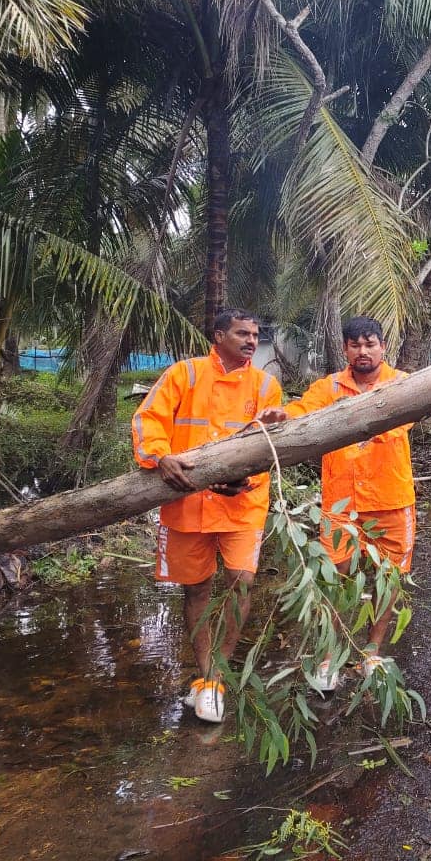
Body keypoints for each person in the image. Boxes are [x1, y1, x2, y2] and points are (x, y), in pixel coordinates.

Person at [132, 309, 283, 724]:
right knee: (197, 591)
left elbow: (271, 444)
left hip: (242, 505)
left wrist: (246, 478)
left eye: (255, 334)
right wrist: (160, 456)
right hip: (188, 505)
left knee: (241, 584)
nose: (251, 340)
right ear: (218, 336)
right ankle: (206, 677)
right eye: (242, 333)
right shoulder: (185, 374)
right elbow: (148, 420)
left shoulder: (267, 385)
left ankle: (217, 676)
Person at [256, 316, 412, 689]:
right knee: (333, 579)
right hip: (341, 504)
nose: (363, 351)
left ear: (383, 346)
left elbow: (399, 422)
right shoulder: (329, 387)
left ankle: (371, 653)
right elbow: (303, 410)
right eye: (355, 344)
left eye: (370, 343)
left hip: (392, 500)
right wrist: (284, 414)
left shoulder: (404, 384)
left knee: (389, 581)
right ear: (344, 349)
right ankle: (329, 657)